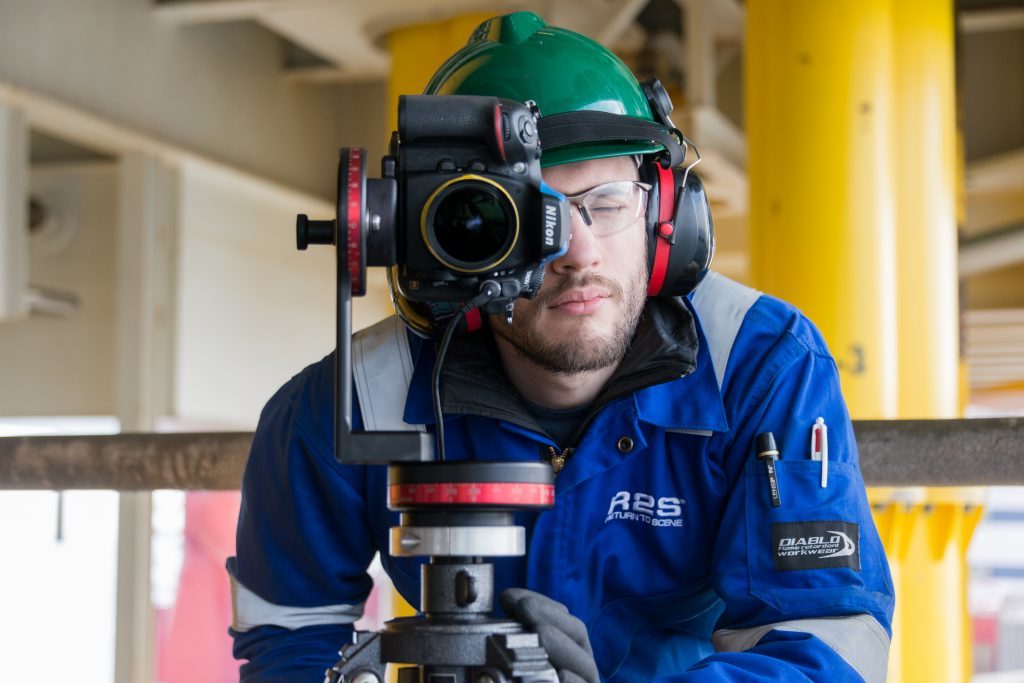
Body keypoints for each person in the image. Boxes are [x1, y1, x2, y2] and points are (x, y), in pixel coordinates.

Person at [228, 11, 894, 682]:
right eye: (526, 215)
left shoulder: (760, 364)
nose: (577, 251)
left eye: (606, 203)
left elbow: (827, 642)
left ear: (667, 214)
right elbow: (291, 636)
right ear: (456, 239)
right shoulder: (355, 403)